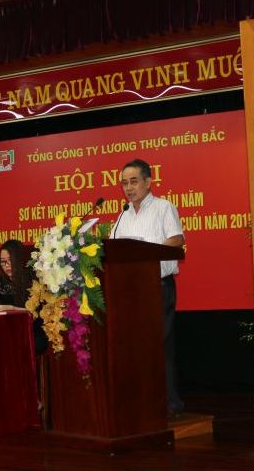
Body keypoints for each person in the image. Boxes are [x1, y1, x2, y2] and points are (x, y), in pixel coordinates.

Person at [111, 158, 186, 418]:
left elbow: (177, 239)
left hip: (157, 287)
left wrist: (147, 252)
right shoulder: (123, 215)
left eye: (133, 182)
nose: (128, 188)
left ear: (148, 182)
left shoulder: (164, 207)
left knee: (159, 346)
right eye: (124, 183)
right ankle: (142, 401)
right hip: (130, 292)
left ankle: (170, 404)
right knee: (135, 347)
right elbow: (114, 249)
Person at [0, 240, 48, 355]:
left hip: (32, 332)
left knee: (11, 345)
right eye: (3, 262)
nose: (7, 265)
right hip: (8, 332)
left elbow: (38, 314)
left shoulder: (34, 279)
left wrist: (11, 308)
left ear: (19, 260)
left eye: (10, 260)